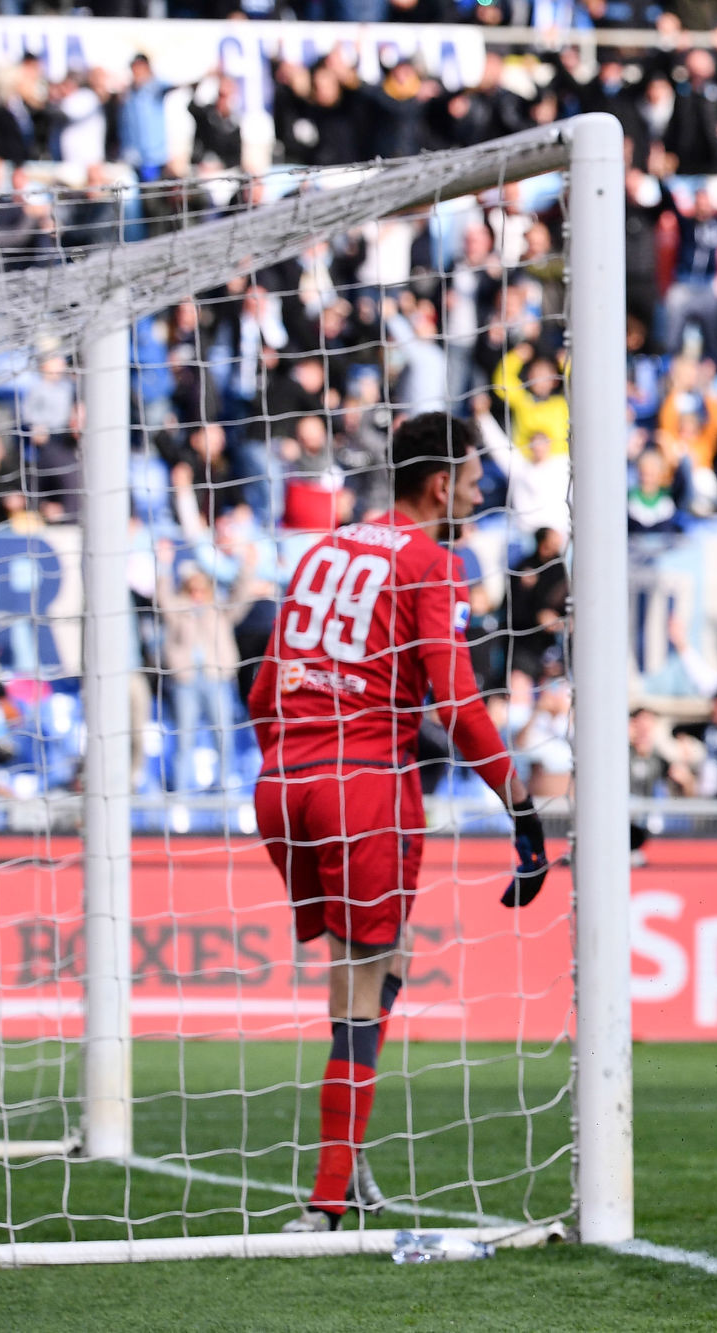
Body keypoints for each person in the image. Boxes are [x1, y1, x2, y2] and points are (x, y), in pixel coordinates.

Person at [249, 414, 549, 1233]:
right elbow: (454, 702)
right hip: (363, 786)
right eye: (473, 477)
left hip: (281, 783)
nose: (482, 490)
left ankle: (349, 1161)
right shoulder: (428, 562)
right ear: (438, 483)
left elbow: (262, 685)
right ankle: (325, 1196)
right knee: (357, 982)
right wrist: (517, 805)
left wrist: (295, 761)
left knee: (384, 960)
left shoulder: (324, 549)